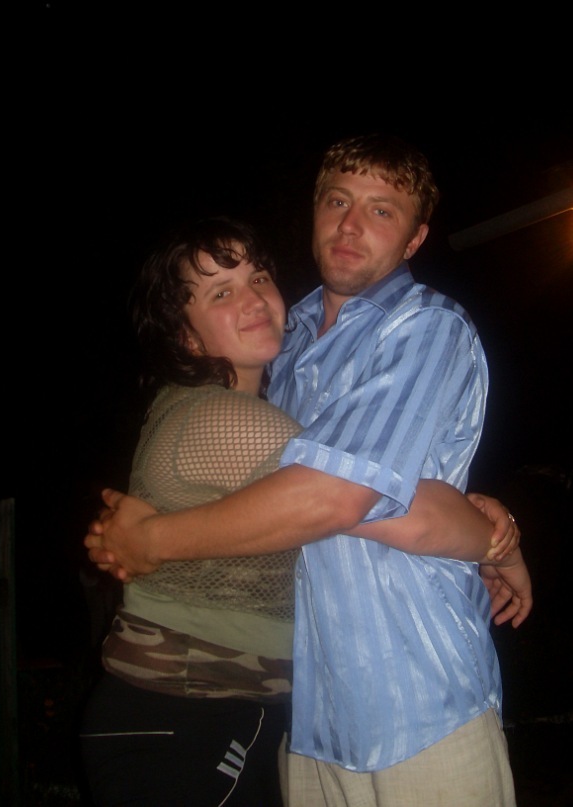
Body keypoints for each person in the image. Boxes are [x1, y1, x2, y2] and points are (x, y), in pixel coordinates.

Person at [86, 135, 533, 806]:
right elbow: (326, 491)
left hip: (418, 698)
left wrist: (150, 539)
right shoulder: (285, 342)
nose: (351, 225)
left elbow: (336, 494)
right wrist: (489, 534)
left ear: (414, 239)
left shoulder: (423, 327)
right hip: (309, 716)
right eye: (338, 201)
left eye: (382, 211)